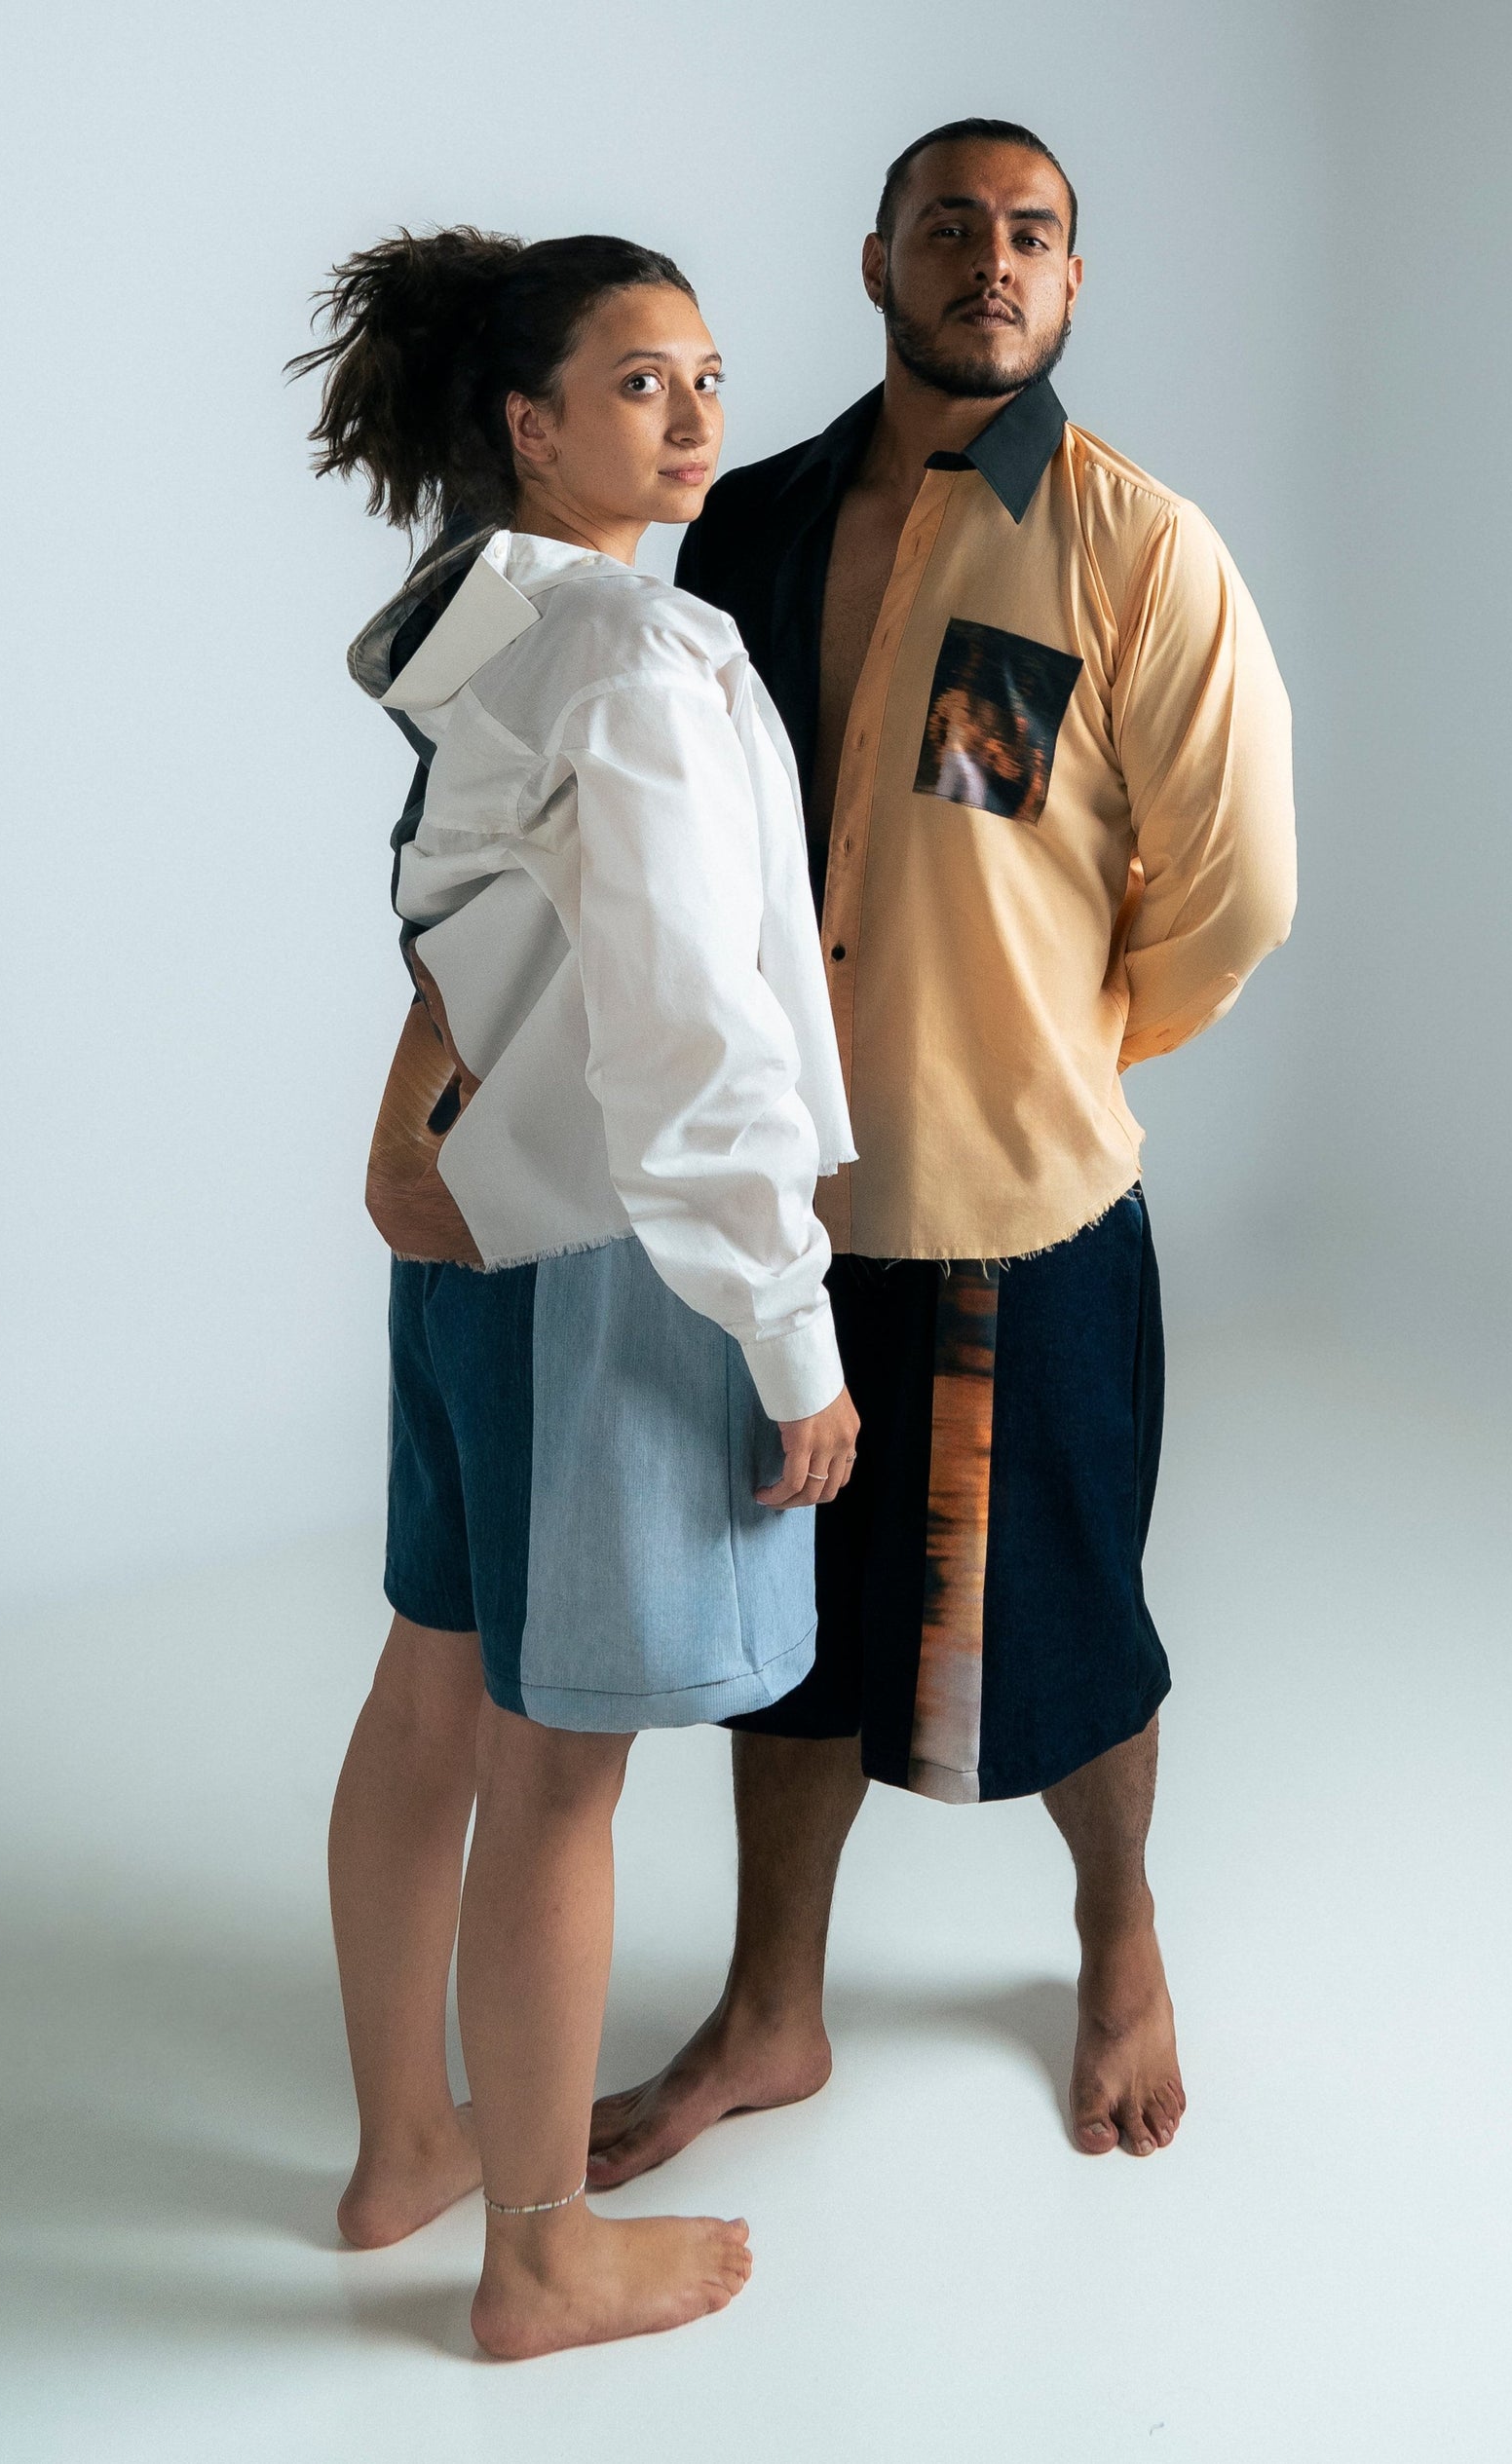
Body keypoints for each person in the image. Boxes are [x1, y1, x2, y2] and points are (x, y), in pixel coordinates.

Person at [586, 120, 1297, 2188]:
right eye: (951, 227)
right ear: (877, 260)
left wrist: (1058, 1046)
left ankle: (1117, 1936)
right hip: (777, 1205)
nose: (991, 260)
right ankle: (771, 2006)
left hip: (1014, 1203)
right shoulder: (752, 520)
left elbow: (1236, 892)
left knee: (1061, 1613)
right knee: (784, 1622)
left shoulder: (1133, 548)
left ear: (1070, 281)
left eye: (1030, 234)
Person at [293, 227, 859, 2358]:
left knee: (426, 1700)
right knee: (557, 1771)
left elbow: (473, 953)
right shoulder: (635, 652)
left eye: (705, 371)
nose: (696, 412)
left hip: (477, 1249)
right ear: (530, 425)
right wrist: (791, 1337)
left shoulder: (486, 631)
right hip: (611, 1268)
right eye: (639, 382)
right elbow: (689, 1032)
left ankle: (404, 2147)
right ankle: (537, 2251)